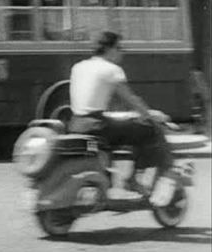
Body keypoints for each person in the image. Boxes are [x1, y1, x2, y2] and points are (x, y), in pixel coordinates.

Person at [68, 31, 177, 207]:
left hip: (76, 124)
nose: (122, 52)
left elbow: (89, 104)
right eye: (119, 48)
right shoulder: (112, 70)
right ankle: (132, 179)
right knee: (148, 129)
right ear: (109, 49)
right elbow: (131, 100)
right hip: (97, 126)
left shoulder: (78, 66)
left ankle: (119, 177)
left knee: (129, 129)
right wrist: (151, 115)